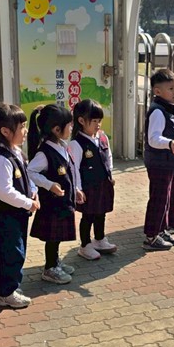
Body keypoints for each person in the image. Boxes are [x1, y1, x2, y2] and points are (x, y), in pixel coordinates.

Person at [0, 103, 37, 308]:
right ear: (5, 131)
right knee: (13, 252)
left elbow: (26, 176)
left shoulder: (15, 151)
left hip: (17, 213)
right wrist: (28, 202)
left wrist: (33, 191)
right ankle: (7, 292)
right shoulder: (0, 158)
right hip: (6, 214)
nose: (25, 131)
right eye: (21, 127)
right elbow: (4, 191)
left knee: (6, 249)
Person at [27, 104, 82, 284]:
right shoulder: (45, 153)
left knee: (57, 237)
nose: (72, 128)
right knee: (52, 237)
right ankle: (50, 268)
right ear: (56, 130)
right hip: (52, 205)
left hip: (63, 202)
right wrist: (49, 185)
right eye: (69, 125)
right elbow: (30, 172)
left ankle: (55, 262)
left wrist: (76, 190)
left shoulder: (62, 146)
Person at [69, 99, 118, 260]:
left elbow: (108, 157)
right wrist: (77, 188)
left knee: (101, 212)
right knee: (88, 215)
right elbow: (74, 168)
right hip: (88, 186)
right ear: (81, 121)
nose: (98, 125)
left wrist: (110, 174)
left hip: (103, 183)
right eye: (94, 121)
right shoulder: (76, 143)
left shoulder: (102, 137)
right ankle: (85, 245)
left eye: (99, 121)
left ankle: (99, 239)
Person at [142, 69, 174, 251]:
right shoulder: (158, 111)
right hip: (159, 163)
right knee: (158, 199)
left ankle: (161, 230)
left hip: (167, 162)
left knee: (166, 198)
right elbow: (153, 138)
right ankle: (151, 236)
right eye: (170, 89)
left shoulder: (169, 109)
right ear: (157, 91)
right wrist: (169, 143)